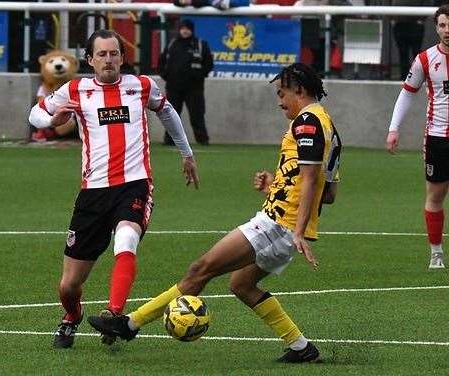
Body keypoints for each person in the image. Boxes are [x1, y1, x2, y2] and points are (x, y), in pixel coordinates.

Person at [88, 63, 342, 363]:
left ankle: (128, 324)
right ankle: (302, 348)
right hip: (284, 224)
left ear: (298, 89)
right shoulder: (328, 126)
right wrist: (275, 185)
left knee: (200, 269)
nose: (279, 100)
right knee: (241, 285)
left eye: (282, 92)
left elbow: (312, 180)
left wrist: (297, 230)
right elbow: (328, 194)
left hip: (278, 225)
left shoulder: (307, 123)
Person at [28, 29, 200, 349]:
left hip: (134, 185)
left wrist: (187, 154)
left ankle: (114, 314)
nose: (109, 60)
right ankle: (71, 317)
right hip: (93, 192)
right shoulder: (76, 89)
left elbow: (167, 111)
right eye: (102, 55)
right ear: (90, 60)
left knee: (126, 238)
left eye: (114, 53)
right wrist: (51, 121)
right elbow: (36, 113)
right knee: (68, 286)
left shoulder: (141, 86)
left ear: (122, 57)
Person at [386, 5, 449, 270]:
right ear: (436, 28)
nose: (448, 30)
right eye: (443, 25)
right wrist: (393, 128)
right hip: (438, 138)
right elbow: (408, 92)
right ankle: (436, 253)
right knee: (435, 195)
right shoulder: (425, 59)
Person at [158, 19, 214, 146]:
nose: (185, 31)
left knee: (197, 115)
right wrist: (167, 76)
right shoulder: (172, 44)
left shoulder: (200, 44)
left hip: (194, 88)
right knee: (171, 115)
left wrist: (199, 75)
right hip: (174, 87)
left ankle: (202, 140)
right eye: (182, 28)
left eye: (187, 28)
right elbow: (161, 62)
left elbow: (209, 64)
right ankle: (169, 140)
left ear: (192, 30)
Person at [391, 0, 431, 80]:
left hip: (416, 24)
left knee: (416, 53)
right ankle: (404, 77)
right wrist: (391, 18)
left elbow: (428, 2)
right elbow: (387, 3)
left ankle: (417, 77)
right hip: (399, 24)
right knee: (402, 52)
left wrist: (422, 19)